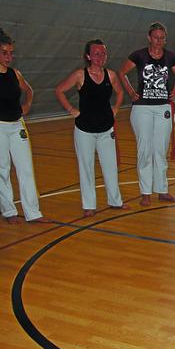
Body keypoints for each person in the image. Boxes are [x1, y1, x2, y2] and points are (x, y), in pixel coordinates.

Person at [55, 39, 130, 217]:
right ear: (88, 56)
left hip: (106, 129)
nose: (100, 57)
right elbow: (59, 90)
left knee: (110, 166)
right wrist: (71, 110)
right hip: (84, 130)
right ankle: (89, 205)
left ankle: (115, 201)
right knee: (86, 167)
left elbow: (120, 92)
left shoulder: (111, 75)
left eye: (103, 53)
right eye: (96, 53)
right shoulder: (80, 75)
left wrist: (116, 108)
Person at [118, 22, 175, 207]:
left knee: (160, 150)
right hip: (142, 108)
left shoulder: (171, 57)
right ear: (149, 37)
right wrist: (131, 92)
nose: (158, 41)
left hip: (162, 107)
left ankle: (162, 190)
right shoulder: (138, 55)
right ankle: (145, 192)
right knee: (144, 150)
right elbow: (122, 72)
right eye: (155, 37)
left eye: (162, 38)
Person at [0, 28, 49, 224]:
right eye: (4, 52)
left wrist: (27, 105)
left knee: (26, 168)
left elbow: (29, 90)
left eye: (11, 53)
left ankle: (33, 212)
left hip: (17, 125)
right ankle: (9, 211)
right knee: (2, 170)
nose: (9, 57)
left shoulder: (15, 74)